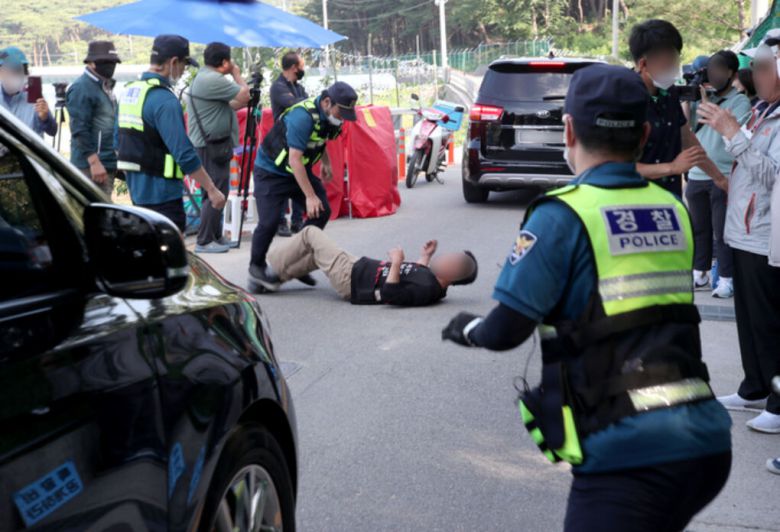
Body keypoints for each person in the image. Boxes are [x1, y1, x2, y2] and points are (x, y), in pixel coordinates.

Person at [442, 64, 732, 531]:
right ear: (643, 134)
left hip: (630, 452)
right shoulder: (670, 209)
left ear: (569, 128)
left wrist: (467, 329)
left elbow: (504, 331)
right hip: (705, 441)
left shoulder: (561, 215)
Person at [699, 29, 780, 434]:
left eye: (763, 67)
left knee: (769, 323)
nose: (755, 75)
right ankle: (754, 388)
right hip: (745, 230)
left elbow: (772, 178)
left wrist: (733, 134)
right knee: (748, 320)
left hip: (767, 233)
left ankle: (778, 402)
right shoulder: (763, 110)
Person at [248, 81, 357, 290]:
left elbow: (319, 137)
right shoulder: (302, 116)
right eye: (340, 112)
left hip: (296, 171)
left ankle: (296, 262)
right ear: (327, 102)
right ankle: (256, 266)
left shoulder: (328, 117)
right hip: (270, 172)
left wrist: (325, 162)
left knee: (321, 212)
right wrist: (309, 195)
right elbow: (294, 159)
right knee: (269, 222)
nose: (342, 117)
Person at [117, 35, 225, 232]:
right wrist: (212, 190)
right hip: (164, 198)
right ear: (173, 62)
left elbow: (121, 142)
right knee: (172, 258)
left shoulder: (130, 93)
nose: (183, 71)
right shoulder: (164, 100)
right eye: (184, 64)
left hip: (138, 196)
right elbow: (183, 153)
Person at [629, 19, 727, 197]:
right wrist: (671, 168)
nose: (674, 70)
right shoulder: (622, 97)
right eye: (668, 64)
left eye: (676, 61)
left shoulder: (670, 93)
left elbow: (687, 139)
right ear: (643, 64)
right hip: (633, 203)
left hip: (668, 200)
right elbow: (613, 167)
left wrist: (720, 179)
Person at [264, 226, 477, 305]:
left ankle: (266, 266)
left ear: (453, 275)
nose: (446, 256)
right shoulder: (431, 280)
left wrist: (396, 262)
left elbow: (391, 294)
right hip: (357, 267)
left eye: (451, 260)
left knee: (311, 234)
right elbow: (416, 276)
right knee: (313, 257)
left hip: (352, 279)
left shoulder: (428, 289)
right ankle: (273, 279)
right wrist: (425, 256)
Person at [687, 51, 752, 298]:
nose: (714, 74)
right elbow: (688, 126)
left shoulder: (740, 101)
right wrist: (690, 99)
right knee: (699, 228)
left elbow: (730, 129)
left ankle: (726, 278)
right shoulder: (702, 97)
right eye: (711, 70)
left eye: (720, 70)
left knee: (723, 230)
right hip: (697, 171)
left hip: (724, 174)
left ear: (732, 74)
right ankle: (699, 273)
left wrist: (706, 104)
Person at [184, 42, 249, 253]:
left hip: (210, 143)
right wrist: (237, 74)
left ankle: (215, 235)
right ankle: (204, 241)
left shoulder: (205, 77)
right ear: (224, 62)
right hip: (210, 145)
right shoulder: (213, 79)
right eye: (229, 61)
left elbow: (235, 104)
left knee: (216, 190)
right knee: (215, 192)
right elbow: (244, 95)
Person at [66, 41, 122, 197]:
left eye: (113, 62)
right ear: (90, 63)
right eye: (105, 62)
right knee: (95, 214)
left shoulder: (105, 86)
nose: (110, 66)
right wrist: (94, 161)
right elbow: (79, 129)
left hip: (107, 162)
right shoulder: (81, 88)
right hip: (90, 167)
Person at [270, 51, 308, 238]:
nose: (303, 69)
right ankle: (280, 221)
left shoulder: (298, 87)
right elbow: (295, 105)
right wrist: (305, 103)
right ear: (294, 67)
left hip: (298, 140)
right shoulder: (278, 87)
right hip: (282, 141)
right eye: (302, 65)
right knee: (282, 182)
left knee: (299, 180)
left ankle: (297, 220)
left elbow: (307, 103)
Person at [0, 47, 56, 137]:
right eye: (6, 72)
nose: (10, 76)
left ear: (25, 74)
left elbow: (52, 131)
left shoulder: (34, 98)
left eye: (16, 72)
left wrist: (45, 118)